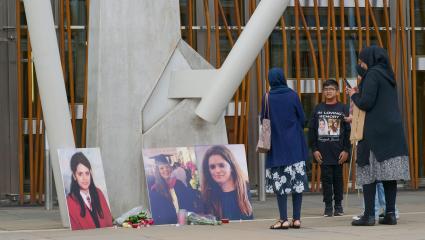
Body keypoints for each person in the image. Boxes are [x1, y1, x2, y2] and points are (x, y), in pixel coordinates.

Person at [347, 46, 410, 226]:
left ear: (369, 59)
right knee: (389, 175)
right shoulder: (388, 75)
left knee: (369, 173)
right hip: (393, 132)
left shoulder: (372, 75)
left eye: (362, 61)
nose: (361, 64)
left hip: (375, 132)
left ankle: (369, 216)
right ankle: (390, 214)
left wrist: (353, 95)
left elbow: (366, 103)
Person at [261, 68, 308, 229]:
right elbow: (302, 119)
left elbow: (264, 120)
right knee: (297, 184)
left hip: (277, 148)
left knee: (280, 185)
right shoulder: (293, 95)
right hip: (295, 147)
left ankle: (283, 219)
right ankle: (297, 219)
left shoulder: (267, 97)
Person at [309, 79, 351, 217]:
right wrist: (314, 149)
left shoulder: (344, 108)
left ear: (337, 92)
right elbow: (312, 130)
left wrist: (346, 150)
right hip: (322, 152)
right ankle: (328, 206)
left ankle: (338, 206)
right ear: (323, 91)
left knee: (338, 179)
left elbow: (349, 131)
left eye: (331, 89)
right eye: (326, 89)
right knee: (326, 180)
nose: (328, 91)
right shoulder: (318, 108)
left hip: (339, 152)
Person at [200, 145, 253, 221]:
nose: (217, 170)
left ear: (231, 166)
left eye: (221, 165)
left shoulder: (246, 189)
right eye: (212, 167)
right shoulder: (207, 195)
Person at [148, 154, 201, 225]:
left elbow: (189, 201)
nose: (165, 170)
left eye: (167, 167)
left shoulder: (178, 183)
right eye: (162, 168)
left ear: (170, 168)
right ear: (158, 171)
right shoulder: (155, 190)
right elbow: (156, 214)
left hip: (184, 223)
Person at [66, 152, 113, 230]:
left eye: (87, 173)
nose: (85, 178)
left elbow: (108, 223)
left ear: (90, 173)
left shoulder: (98, 193)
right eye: (80, 174)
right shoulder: (70, 202)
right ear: (74, 176)